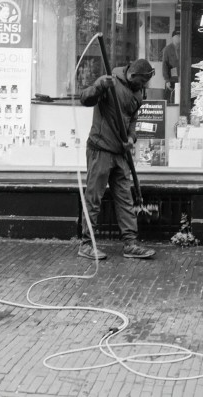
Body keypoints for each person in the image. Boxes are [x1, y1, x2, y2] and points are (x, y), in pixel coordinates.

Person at [79, 58, 157, 260]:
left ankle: (130, 243)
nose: (144, 87)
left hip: (121, 154)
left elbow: (133, 119)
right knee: (94, 197)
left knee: (125, 198)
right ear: (132, 76)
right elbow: (85, 99)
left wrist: (132, 138)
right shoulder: (110, 82)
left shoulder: (137, 93)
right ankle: (87, 244)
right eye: (142, 83)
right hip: (100, 149)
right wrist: (98, 87)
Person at [162, 29, 181, 104]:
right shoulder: (167, 49)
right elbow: (164, 65)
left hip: (181, 78)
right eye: (177, 36)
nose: (179, 38)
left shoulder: (183, 48)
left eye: (180, 36)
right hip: (171, 78)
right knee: (169, 99)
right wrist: (167, 80)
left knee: (180, 98)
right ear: (173, 38)